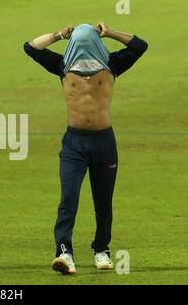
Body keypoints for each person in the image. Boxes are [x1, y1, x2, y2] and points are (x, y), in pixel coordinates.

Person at [23, 23, 147, 274]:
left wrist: (110, 32)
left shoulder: (112, 64)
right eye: (76, 42)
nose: (81, 46)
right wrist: (59, 35)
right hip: (74, 144)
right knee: (68, 197)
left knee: (103, 201)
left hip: (104, 143)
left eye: (86, 41)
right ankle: (64, 252)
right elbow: (30, 48)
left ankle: (102, 249)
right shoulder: (63, 66)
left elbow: (140, 45)